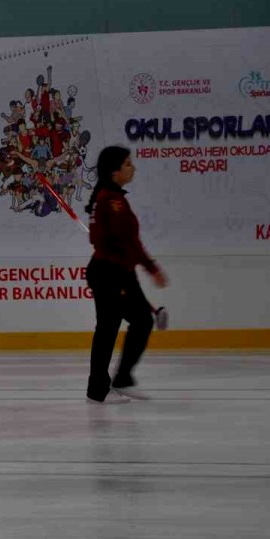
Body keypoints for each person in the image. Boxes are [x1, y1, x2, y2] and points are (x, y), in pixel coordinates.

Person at [84, 145, 168, 404]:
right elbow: (102, 238)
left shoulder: (113, 198)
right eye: (128, 164)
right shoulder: (110, 200)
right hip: (110, 272)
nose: (133, 168)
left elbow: (129, 241)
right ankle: (104, 387)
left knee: (135, 322)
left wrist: (144, 265)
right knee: (117, 327)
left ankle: (116, 382)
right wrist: (149, 267)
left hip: (118, 272)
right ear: (114, 171)